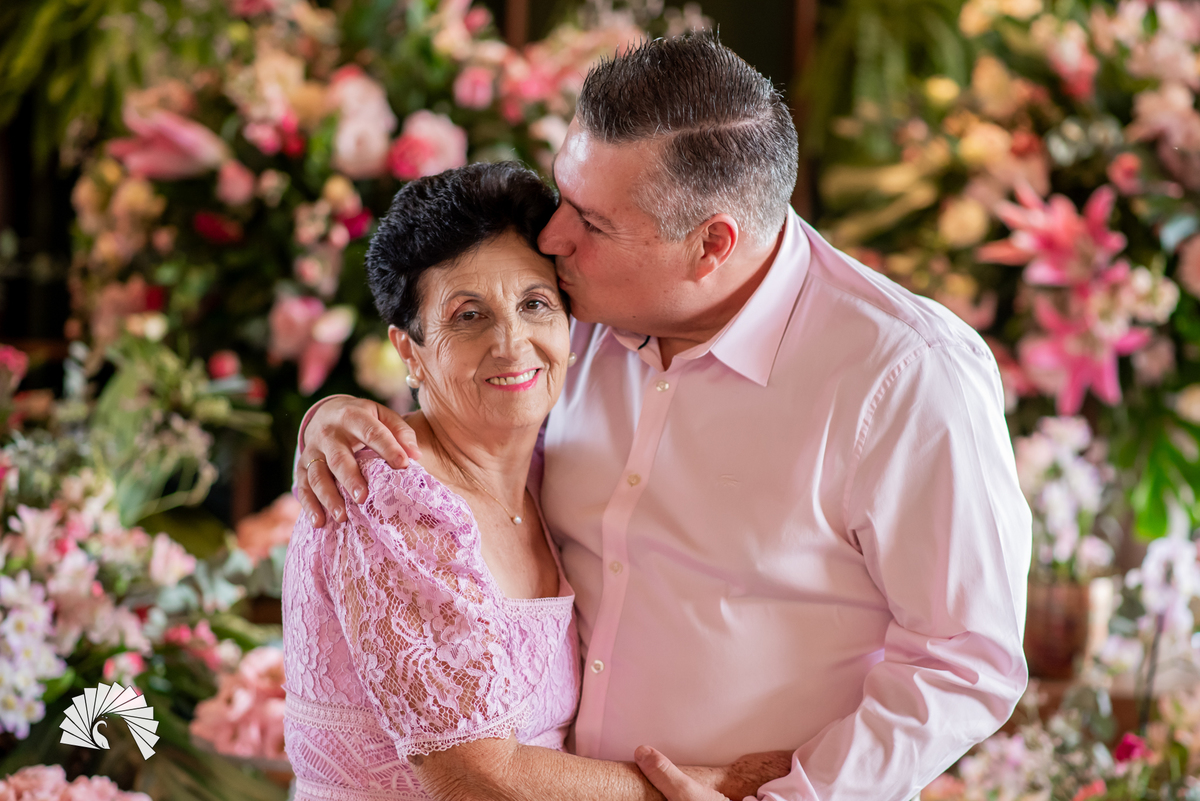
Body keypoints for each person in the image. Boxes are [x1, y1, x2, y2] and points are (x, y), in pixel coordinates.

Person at [295, 34, 1032, 801]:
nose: (552, 236)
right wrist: (336, 418)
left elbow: (966, 659)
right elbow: (461, 405)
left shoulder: (906, 374)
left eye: (591, 220)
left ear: (710, 244)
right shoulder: (571, 310)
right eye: (564, 193)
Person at [282, 161, 789, 801]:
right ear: (409, 350)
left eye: (534, 304)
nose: (512, 343)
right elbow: (476, 778)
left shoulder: (552, 462)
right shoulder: (391, 497)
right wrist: (710, 787)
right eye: (469, 316)